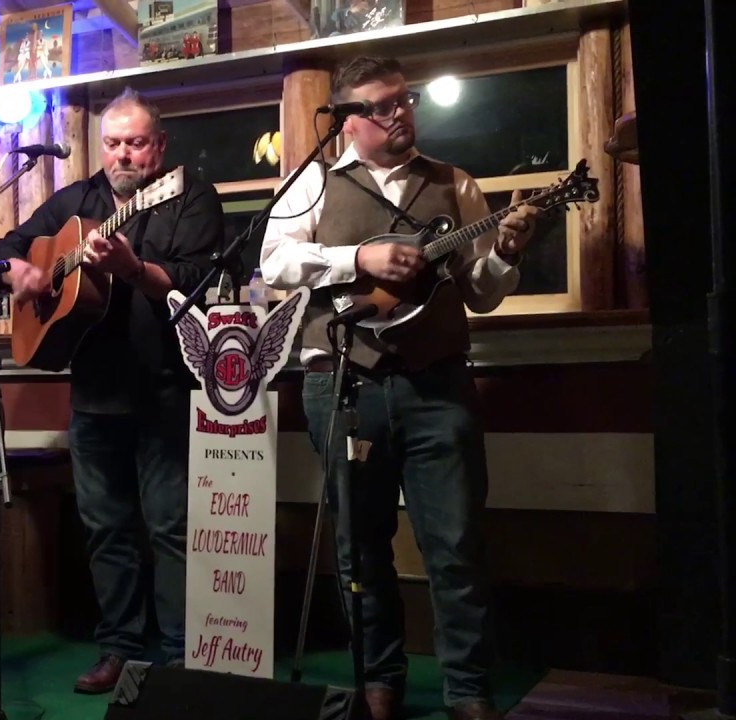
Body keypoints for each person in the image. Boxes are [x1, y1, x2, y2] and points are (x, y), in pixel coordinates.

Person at [259, 56, 541, 720]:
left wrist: (505, 253)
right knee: (360, 546)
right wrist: (358, 257)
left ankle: (468, 690)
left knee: (456, 543)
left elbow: (481, 294)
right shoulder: (313, 185)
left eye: (404, 101)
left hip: (438, 384)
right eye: (383, 107)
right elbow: (274, 261)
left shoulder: (456, 184)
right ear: (349, 122)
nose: (400, 114)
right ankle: (378, 682)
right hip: (345, 386)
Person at [0, 87, 225, 693]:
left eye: (137, 143)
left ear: (160, 145)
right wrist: (23, 269)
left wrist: (134, 271)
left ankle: (176, 657)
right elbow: (6, 248)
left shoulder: (188, 196)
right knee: (107, 528)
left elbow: (201, 278)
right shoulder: (77, 200)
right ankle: (118, 647)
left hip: (165, 388)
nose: (123, 155)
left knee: (170, 526)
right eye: (114, 143)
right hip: (93, 392)